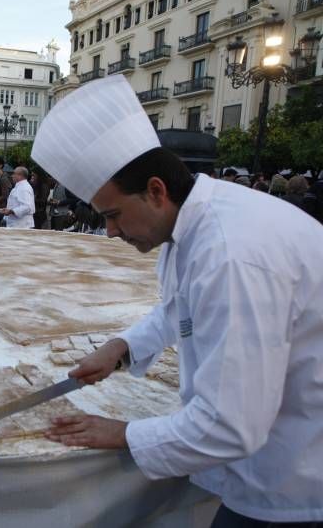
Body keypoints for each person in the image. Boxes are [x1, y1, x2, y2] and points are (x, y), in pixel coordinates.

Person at [33, 74, 323, 527]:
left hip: (295, 479)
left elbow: (230, 425)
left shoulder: (232, 254)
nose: (109, 231)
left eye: (112, 215)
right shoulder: (193, 227)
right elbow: (180, 309)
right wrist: (123, 347)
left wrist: (125, 434)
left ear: (155, 191)